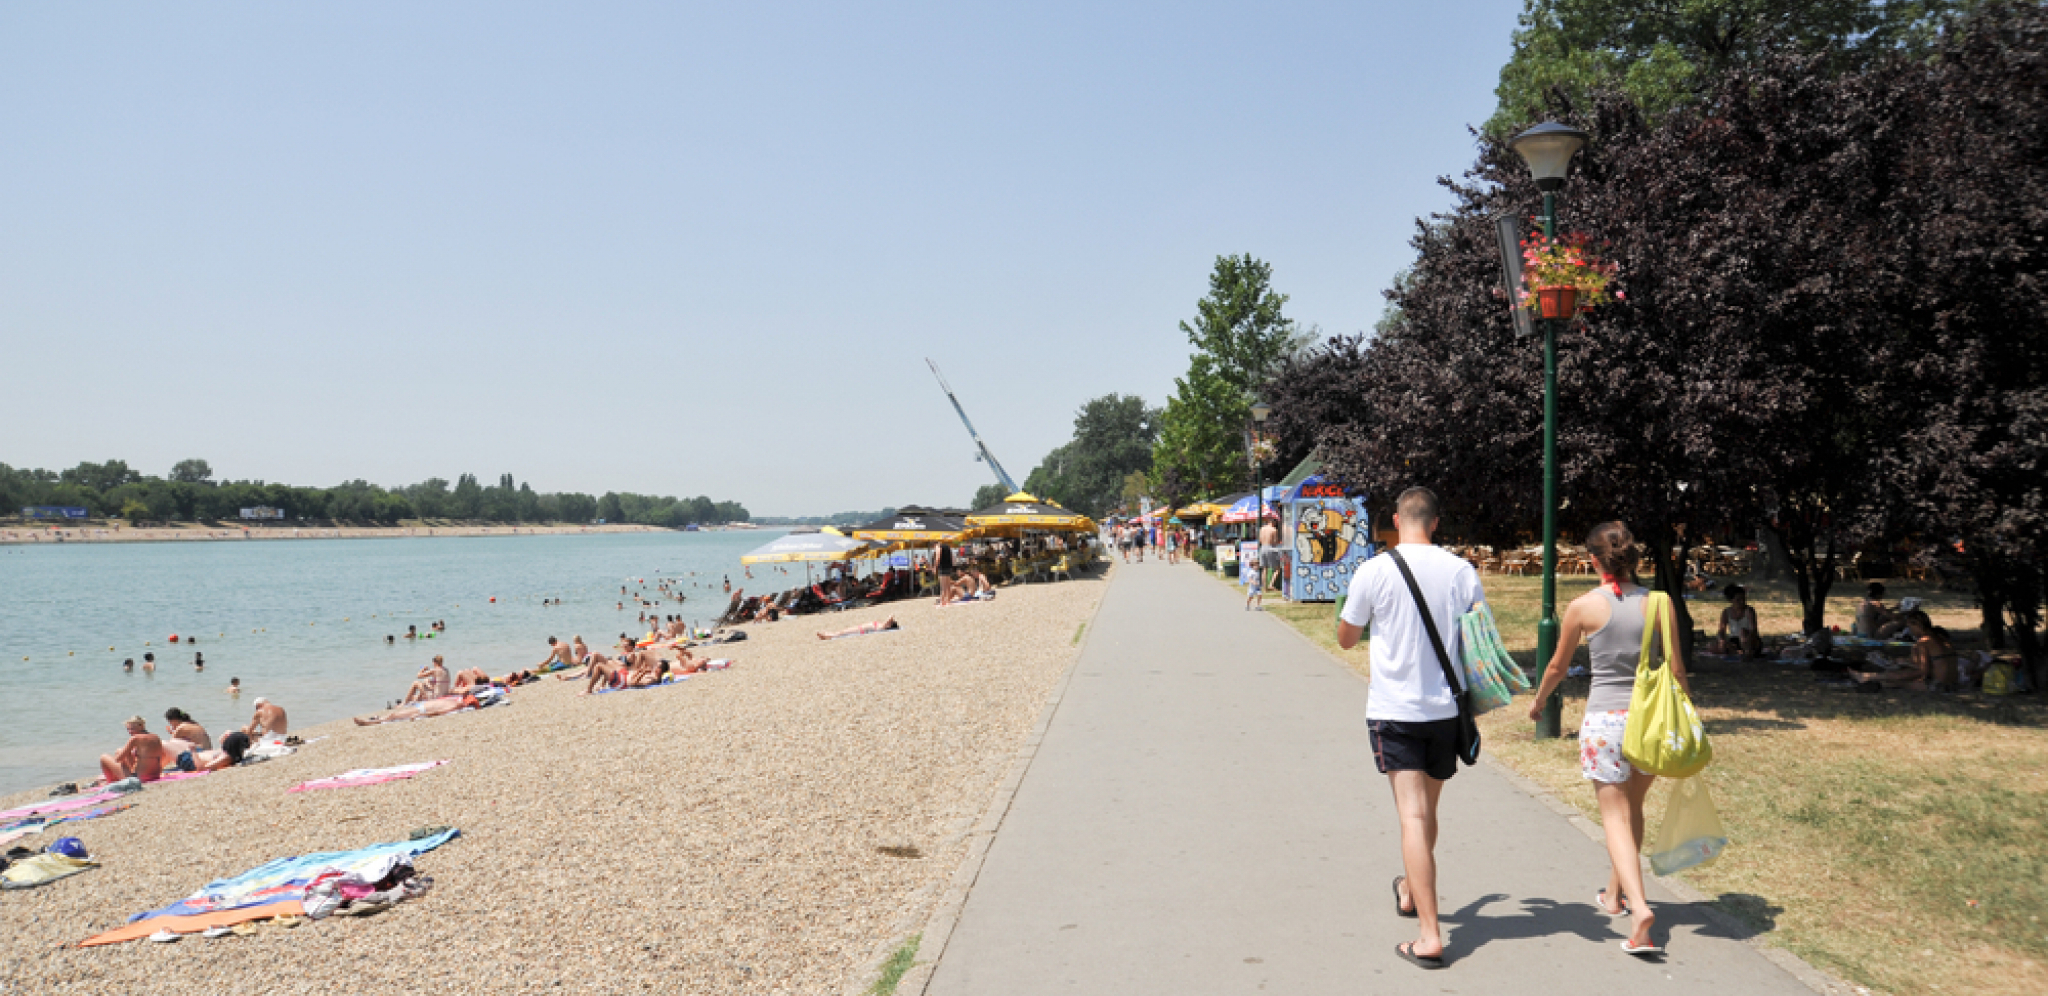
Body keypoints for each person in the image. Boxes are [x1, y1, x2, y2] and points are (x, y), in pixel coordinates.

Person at [1335, 487, 1486, 970]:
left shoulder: (1374, 570)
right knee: (1427, 813)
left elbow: (1346, 638)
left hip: (1395, 709)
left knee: (1412, 818)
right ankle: (1408, 889)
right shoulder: (1462, 571)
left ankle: (1429, 934)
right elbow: (1477, 639)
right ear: (1436, 523)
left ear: (1397, 521)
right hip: (1445, 711)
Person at [1527, 521, 1684, 957]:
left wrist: (1539, 700)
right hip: (1650, 723)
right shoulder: (1659, 603)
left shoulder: (1583, 606)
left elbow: (1558, 667)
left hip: (1605, 723)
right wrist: (1686, 720)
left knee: (1614, 819)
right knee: (1632, 809)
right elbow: (1676, 670)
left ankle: (1638, 910)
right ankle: (1614, 895)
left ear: (1593, 560)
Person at [98, 717, 165, 785]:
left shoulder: (135, 738)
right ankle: (117, 777)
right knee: (119, 750)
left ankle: (110, 782)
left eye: (132, 729)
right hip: (155, 775)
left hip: (139, 778)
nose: (130, 732)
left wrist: (117, 761)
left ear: (141, 726)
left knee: (104, 757)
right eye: (128, 729)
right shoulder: (156, 737)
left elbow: (118, 760)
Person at [354, 694, 477, 725]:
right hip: (421, 706)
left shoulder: (456, 705)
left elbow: (438, 712)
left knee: (393, 715)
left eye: (466, 699)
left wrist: (419, 716)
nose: (464, 698)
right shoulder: (456, 701)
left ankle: (368, 723)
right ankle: (378, 719)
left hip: (421, 710)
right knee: (394, 714)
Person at [1715, 585, 1761, 659]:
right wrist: (1721, 640)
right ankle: (1737, 652)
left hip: (1750, 640)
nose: (1742, 602)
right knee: (1711, 646)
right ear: (1731, 600)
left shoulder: (1749, 611)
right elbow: (1721, 630)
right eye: (1738, 600)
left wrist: (1747, 642)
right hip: (1734, 641)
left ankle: (1747, 652)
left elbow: (1754, 630)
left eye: (1743, 599)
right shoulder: (1726, 612)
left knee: (1742, 632)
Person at [817, 616, 900, 640]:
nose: (889, 622)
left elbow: (890, 617)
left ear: (889, 625)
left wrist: (891, 619)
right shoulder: (882, 626)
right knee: (842, 631)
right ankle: (827, 634)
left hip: (861, 630)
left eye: (890, 623)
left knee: (842, 633)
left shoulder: (882, 627)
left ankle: (826, 636)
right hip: (860, 628)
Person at [1259, 517, 1282, 590]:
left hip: (1263, 548)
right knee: (1277, 568)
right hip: (1271, 548)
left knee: (1264, 568)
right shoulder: (1274, 530)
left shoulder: (1262, 529)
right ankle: (1271, 584)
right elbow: (1275, 542)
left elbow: (1260, 539)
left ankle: (1264, 587)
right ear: (1273, 522)